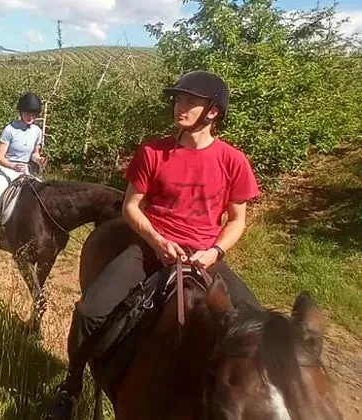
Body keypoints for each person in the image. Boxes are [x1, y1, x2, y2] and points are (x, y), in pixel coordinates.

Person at [44, 70, 262, 419]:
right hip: (150, 249)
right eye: (178, 99)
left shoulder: (233, 161)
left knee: (259, 329)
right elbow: (131, 206)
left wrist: (215, 252)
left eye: (190, 101)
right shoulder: (153, 152)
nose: (180, 106)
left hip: (205, 255)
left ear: (213, 112)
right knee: (89, 312)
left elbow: (237, 219)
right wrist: (157, 241)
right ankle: (70, 386)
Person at [0, 91, 47, 255]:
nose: (30, 116)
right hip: (7, 169)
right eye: (28, 113)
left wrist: (38, 159)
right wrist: (13, 166)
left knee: (44, 196)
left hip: (25, 170)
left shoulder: (37, 131)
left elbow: (34, 153)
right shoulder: (10, 130)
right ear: (21, 112)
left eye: (33, 113)